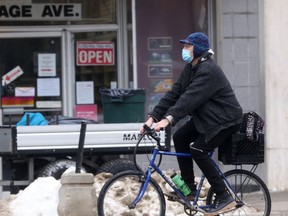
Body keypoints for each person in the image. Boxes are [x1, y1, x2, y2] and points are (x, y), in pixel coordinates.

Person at [142, 32, 243, 214]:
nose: (184, 49)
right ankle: (189, 188)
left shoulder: (208, 71)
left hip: (225, 119)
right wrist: (152, 118)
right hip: (208, 118)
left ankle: (224, 197)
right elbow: (174, 94)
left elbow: (189, 99)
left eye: (188, 46)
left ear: (198, 49)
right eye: (184, 46)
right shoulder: (191, 67)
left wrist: (168, 119)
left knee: (198, 150)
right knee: (180, 137)